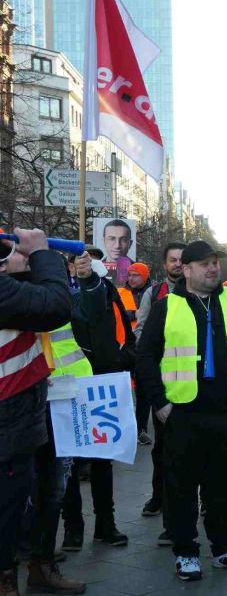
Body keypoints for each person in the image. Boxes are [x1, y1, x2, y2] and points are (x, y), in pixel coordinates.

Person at [136, 240, 227, 581]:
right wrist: (160, 402)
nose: (212, 268)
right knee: (181, 487)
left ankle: (224, 548)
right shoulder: (166, 307)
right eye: (203, 264)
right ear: (186, 270)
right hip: (183, 413)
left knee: (224, 485)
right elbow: (145, 358)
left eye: (215, 262)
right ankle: (186, 551)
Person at [0, 229, 80, 595]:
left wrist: (37, 258)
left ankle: (41, 565)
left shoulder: (18, 283)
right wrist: (41, 254)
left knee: (50, 490)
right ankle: (6, 579)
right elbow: (54, 305)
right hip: (10, 416)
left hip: (37, 404)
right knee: (10, 504)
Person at [61, 248, 135, 552]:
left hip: (103, 381)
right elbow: (82, 310)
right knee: (70, 462)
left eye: (91, 259)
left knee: (104, 459)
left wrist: (124, 358)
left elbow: (123, 330)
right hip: (68, 385)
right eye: (80, 260)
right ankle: (73, 528)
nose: (86, 263)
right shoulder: (61, 293)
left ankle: (105, 524)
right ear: (69, 265)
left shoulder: (105, 289)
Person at [134, 243, 186, 536]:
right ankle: (160, 497)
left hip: (193, 383)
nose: (178, 264)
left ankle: (200, 505)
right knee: (163, 447)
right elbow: (140, 330)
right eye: (173, 260)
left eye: (182, 259)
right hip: (164, 383)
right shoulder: (154, 294)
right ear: (164, 264)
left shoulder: (202, 292)